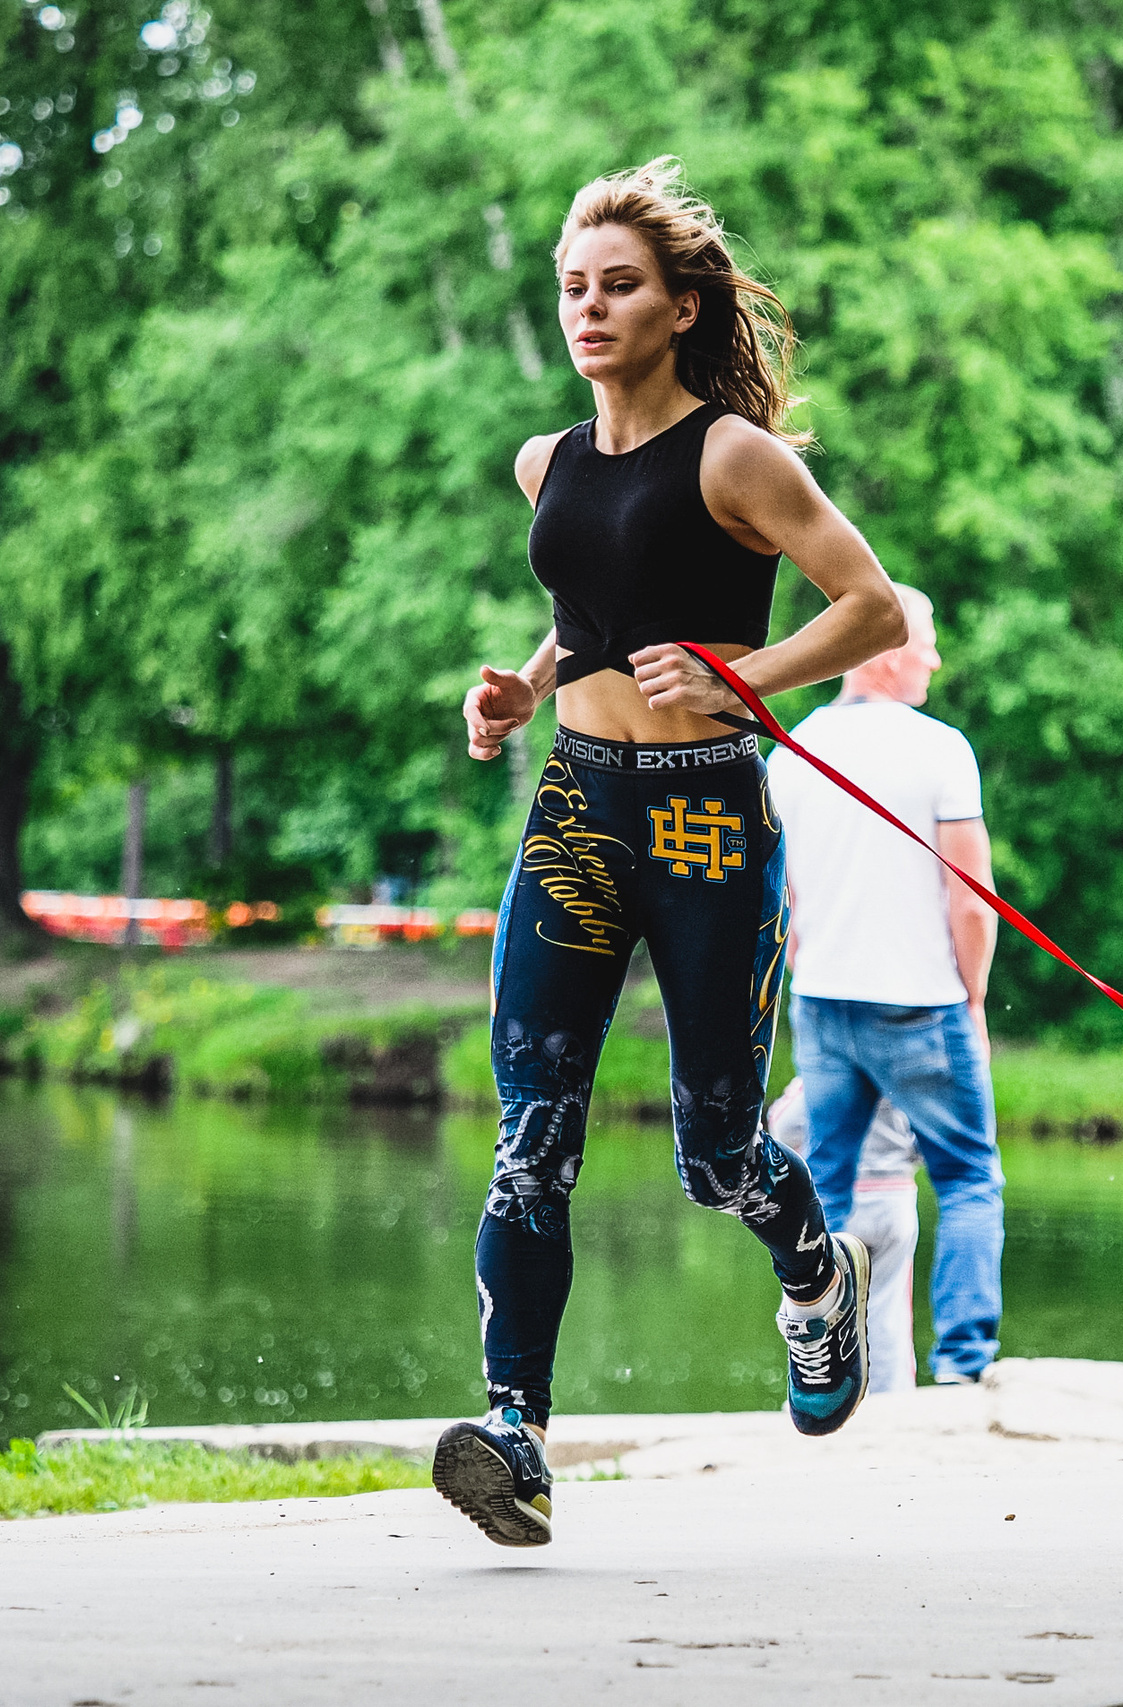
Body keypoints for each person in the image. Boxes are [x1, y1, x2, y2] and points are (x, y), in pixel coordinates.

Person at [442, 159, 908, 1548]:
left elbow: (872, 609)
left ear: (679, 302)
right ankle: (515, 1430)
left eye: (620, 285)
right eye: (574, 286)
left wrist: (743, 677)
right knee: (531, 1139)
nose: (590, 307)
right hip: (578, 804)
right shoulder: (548, 462)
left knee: (716, 1149)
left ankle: (817, 1274)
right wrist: (527, 689)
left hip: (708, 810)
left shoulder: (735, 456)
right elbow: (594, 600)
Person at [766, 586, 1004, 1385]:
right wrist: (972, 999)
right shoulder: (941, 749)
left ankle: (825, 1369)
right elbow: (971, 899)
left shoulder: (790, 750)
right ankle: (964, 1369)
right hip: (923, 1004)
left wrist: (809, 969)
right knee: (970, 1178)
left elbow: (778, 905)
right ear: (883, 648)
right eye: (925, 641)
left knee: (823, 1186)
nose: (934, 657)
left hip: (825, 1003)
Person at [767, 1079, 923, 1393]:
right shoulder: (902, 1074)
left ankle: (822, 1390)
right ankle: (890, 1394)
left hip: (832, 1200)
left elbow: (782, 1124)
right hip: (893, 1198)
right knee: (887, 1307)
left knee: (820, 1301)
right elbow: (928, 1140)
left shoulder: (828, 1066)